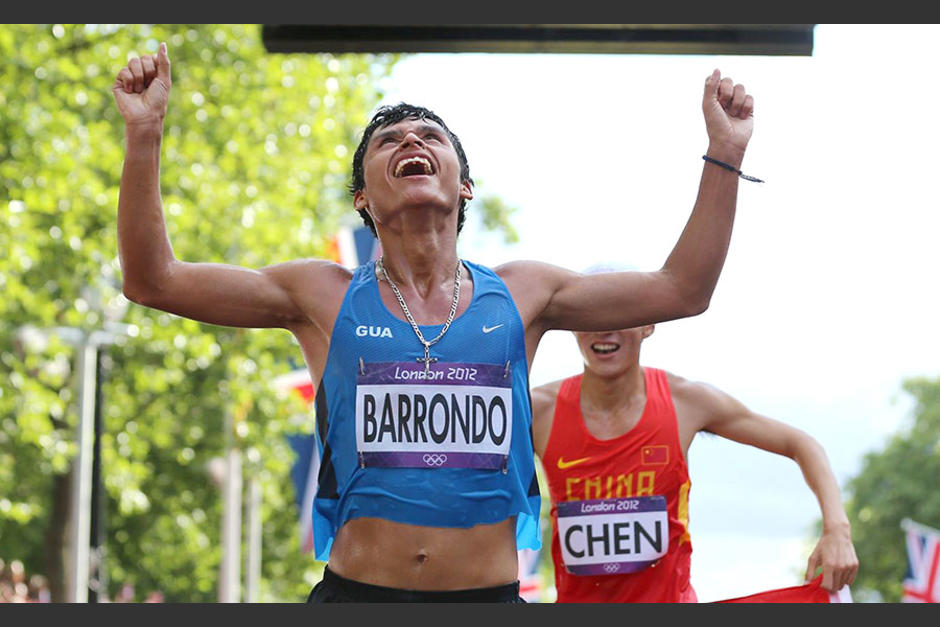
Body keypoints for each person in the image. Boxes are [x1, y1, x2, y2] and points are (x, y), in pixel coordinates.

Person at [112, 42, 756, 603]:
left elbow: (681, 290)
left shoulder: (525, 291)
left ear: (465, 187)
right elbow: (153, 280)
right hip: (355, 598)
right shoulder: (320, 293)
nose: (411, 142)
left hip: (490, 599)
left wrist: (724, 154)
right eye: (389, 141)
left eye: (430, 137)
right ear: (363, 197)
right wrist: (144, 136)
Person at [530, 280, 859, 603]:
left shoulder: (687, 401)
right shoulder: (536, 411)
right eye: (591, 318)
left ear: (649, 325)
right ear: (571, 326)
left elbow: (801, 443)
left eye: (622, 316)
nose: (605, 329)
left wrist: (837, 529)